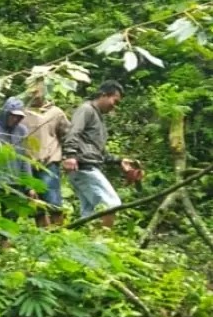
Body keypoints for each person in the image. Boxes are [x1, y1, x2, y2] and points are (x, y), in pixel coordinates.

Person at [62, 80, 141, 228]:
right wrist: (70, 155)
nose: (114, 106)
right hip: (83, 166)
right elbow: (73, 132)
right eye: (114, 101)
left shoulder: (99, 117)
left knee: (89, 213)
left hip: (89, 165)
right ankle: (104, 241)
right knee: (112, 204)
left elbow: (97, 150)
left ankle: (87, 246)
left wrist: (118, 161)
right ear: (104, 95)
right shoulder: (86, 110)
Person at [22, 83, 71, 227]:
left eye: (37, 94)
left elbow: (68, 135)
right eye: (31, 94)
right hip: (28, 165)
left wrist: (68, 156)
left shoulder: (55, 112)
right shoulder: (23, 113)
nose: (34, 97)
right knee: (36, 205)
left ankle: (60, 233)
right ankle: (43, 236)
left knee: (53, 203)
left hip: (49, 163)